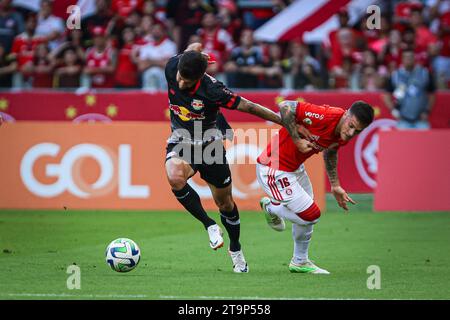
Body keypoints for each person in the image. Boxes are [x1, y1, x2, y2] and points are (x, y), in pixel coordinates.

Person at [164, 42, 292, 273]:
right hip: (182, 139)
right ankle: (209, 225)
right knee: (174, 177)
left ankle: (236, 250)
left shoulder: (213, 90)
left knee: (225, 203)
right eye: (180, 77)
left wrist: (284, 121)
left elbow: (250, 107)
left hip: (210, 145)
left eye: (187, 81)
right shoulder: (173, 65)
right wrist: (197, 51)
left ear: (201, 76)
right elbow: (192, 47)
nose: (180, 83)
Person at [256, 100, 374, 274]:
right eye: (351, 126)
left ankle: (300, 261)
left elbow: (331, 150)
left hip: (294, 169)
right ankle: (272, 208)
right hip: (273, 167)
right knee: (311, 215)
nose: (350, 133)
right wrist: (296, 139)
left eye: (357, 131)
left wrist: (335, 185)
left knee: (307, 213)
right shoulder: (325, 115)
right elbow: (285, 106)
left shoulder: (343, 133)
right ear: (346, 114)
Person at [383, 49, 436, 129]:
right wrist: (393, 111)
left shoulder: (424, 73)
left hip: (421, 119)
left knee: (424, 141)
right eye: (406, 57)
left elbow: (432, 94)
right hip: (403, 119)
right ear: (402, 59)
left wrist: (427, 111)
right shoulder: (396, 75)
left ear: (415, 58)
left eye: (411, 57)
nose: (409, 60)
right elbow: (386, 95)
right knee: (403, 141)